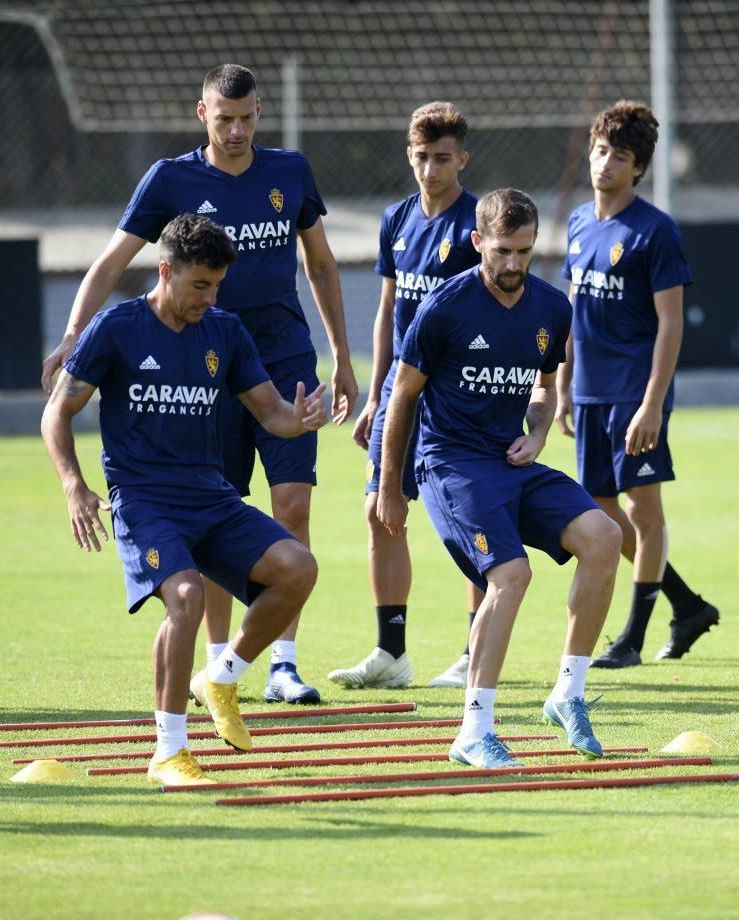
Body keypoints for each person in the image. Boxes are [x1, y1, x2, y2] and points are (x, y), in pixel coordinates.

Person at [41, 63, 358, 705]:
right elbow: (111, 261)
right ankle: (214, 659)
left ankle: (279, 665)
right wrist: (75, 332)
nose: (236, 130)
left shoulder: (289, 172)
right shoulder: (171, 178)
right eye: (224, 118)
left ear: (259, 113)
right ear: (202, 114)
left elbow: (321, 265)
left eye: (246, 118)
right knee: (222, 508)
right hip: (203, 366)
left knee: (293, 504)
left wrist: (342, 359)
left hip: (283, 359)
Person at [41, 214, 328, 786]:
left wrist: (300, 421)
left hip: (211, 496)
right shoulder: (116, 327)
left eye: (217, 285)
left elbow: (271, 413)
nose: (210, 297)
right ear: (165, 270)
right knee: (187, 596)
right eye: (200, 284)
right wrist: (74, 485)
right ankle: (169, 752)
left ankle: (220, 676)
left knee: (297, 568)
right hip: (145, 501)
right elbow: (59, 411)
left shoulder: (224, 330)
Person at [377, 189, 623, 768]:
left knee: (605, 537)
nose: (514, 264)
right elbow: (401, 398)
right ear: (477, 242)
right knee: (511, 574)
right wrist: (391, 487)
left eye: (525, 251)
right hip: (449, 463)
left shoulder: (550, 307)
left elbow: (544, 387)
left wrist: (537, 433)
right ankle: (473, 728)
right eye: (504, 251)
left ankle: (568, 691)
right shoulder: (444, 306)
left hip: (512, 460)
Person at [556, 100, 719, 669]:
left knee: (642, 511)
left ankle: (631, 638)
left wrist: (652, 404)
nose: (604, 163)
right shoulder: (578, 223)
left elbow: (670, 323)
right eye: (600, 151)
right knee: (601, 511)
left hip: (634, 391)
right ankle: (687, 605)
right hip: (589, 392)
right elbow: (571, 310)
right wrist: (561, 381)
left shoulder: (655, 231)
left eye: (619, 156)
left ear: (638, 168)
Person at [328, 101, 484, 692]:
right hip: (399, 390)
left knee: (471, 516)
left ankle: (475, 648)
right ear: (408, 154)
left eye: (442, 158)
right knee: (380, 510)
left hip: (456, 395)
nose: (430, 168)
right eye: (421, 157)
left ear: (461, 158)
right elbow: (390, 308)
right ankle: (391, 651)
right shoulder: (396, 218)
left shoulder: (477, 222)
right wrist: (374, 394)